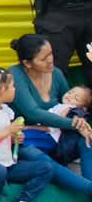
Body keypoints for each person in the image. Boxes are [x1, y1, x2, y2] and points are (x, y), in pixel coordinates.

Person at [8, 34, 92, 194]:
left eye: (51, 54)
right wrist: (73, 124)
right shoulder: (15, 75)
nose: (50, 60)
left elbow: (69, 105)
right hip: (26, 138)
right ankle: (88, 189)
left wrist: (80, 124)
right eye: (43, 58)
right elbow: (33, 113)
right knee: (41, 160)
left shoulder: (56, 73)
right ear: (27, 63)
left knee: (87, 137)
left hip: (57, 139)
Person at [0, 66, 54, 202]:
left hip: (7, 165)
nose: (15, 89)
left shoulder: (6, 110)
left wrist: (15, 138)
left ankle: (23, 200)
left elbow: (3, 137)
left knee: (46, 168)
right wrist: (8, 131)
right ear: (1, 90)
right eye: (12, 86)